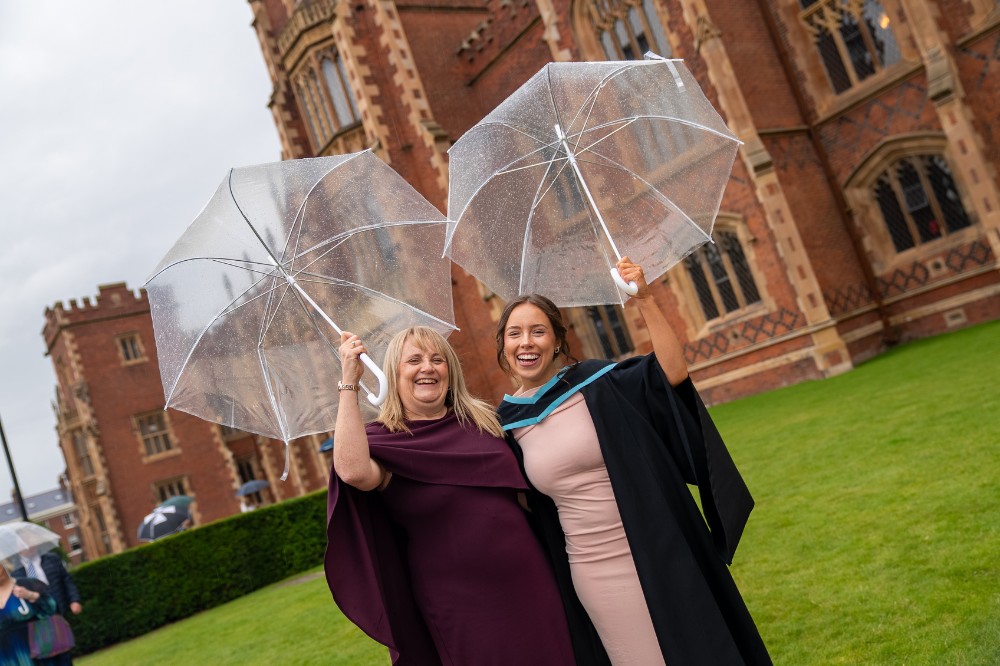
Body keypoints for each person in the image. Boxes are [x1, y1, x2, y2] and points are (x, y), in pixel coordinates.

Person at [494, 257, 772, 665]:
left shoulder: (600, 383)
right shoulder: (504, 425)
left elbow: (672, 373)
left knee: (699, 648)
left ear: (557, 340)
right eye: (515, 334)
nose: (526, 342)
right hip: (591, 569)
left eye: (538, 331)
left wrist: (644, 298)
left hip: (657, 544)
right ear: (503, 344)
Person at [325, 326, 582, 665]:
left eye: (437, 359)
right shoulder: (385, 441)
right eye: (413, 360)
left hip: (530, 581)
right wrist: (349, 381)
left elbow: (531, 494)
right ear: (393, 373)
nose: (428, 368)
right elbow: (353, 471)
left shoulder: (485, 422)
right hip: (458, 602)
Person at [0, 562, 57, 666]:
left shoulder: (28, 584)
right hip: (6, 657)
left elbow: (52, 608)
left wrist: (31, 595)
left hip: (38, 650)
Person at [11, 548, 81, 618]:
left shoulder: (51, 559)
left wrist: (74, 600)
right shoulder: (14, 571)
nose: (30, 547)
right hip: (38, 615)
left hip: (62, 609)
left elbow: (67, 580)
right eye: (25, 545)